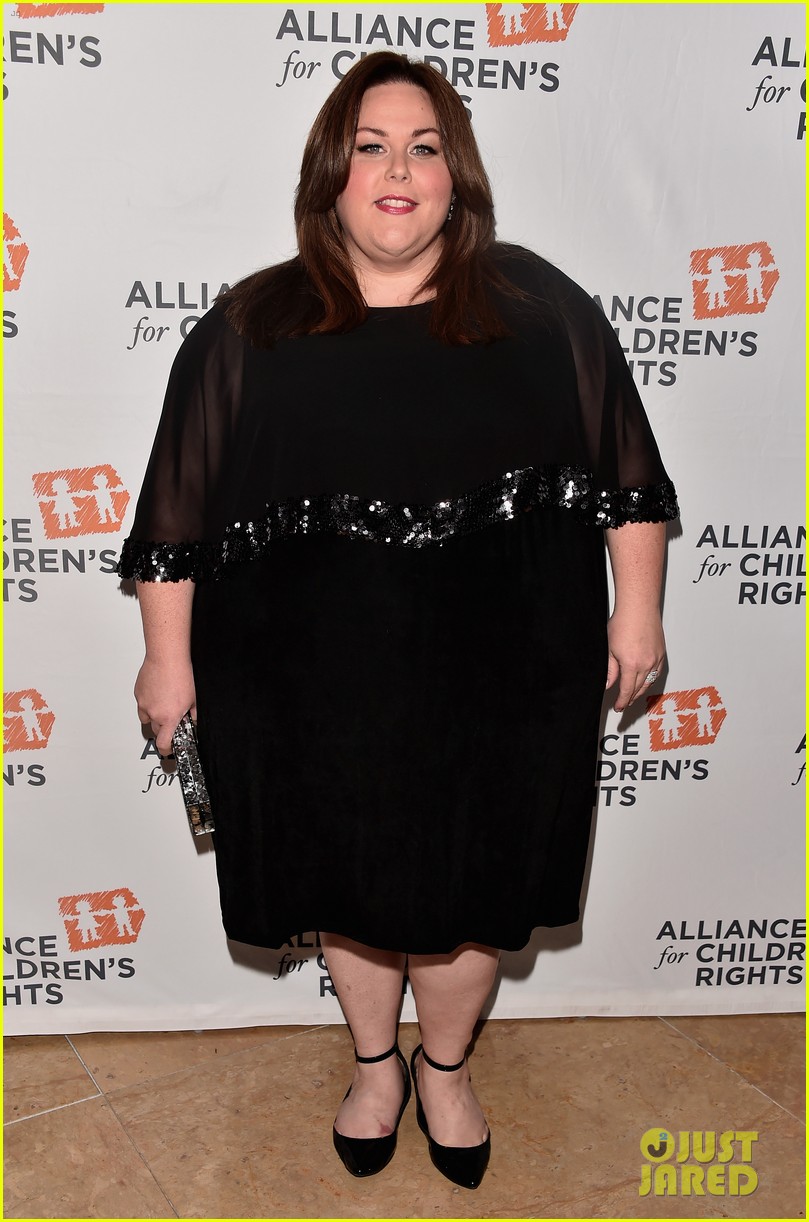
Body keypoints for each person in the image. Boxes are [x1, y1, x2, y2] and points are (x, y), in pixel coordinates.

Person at [118, 51, 678, 1191]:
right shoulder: (250, 326)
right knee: (352, 881)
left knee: (478, 890)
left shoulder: (541, 309)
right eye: (370, 147)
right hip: (307, 678)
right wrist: (166, 663)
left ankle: (445, 1067)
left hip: (508, 667)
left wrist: (638, 616)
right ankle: (374, 1064)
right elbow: (175, 513)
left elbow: (627, 476)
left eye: (423, 148)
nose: (397, 170)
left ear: (455, 177)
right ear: (331, 172)